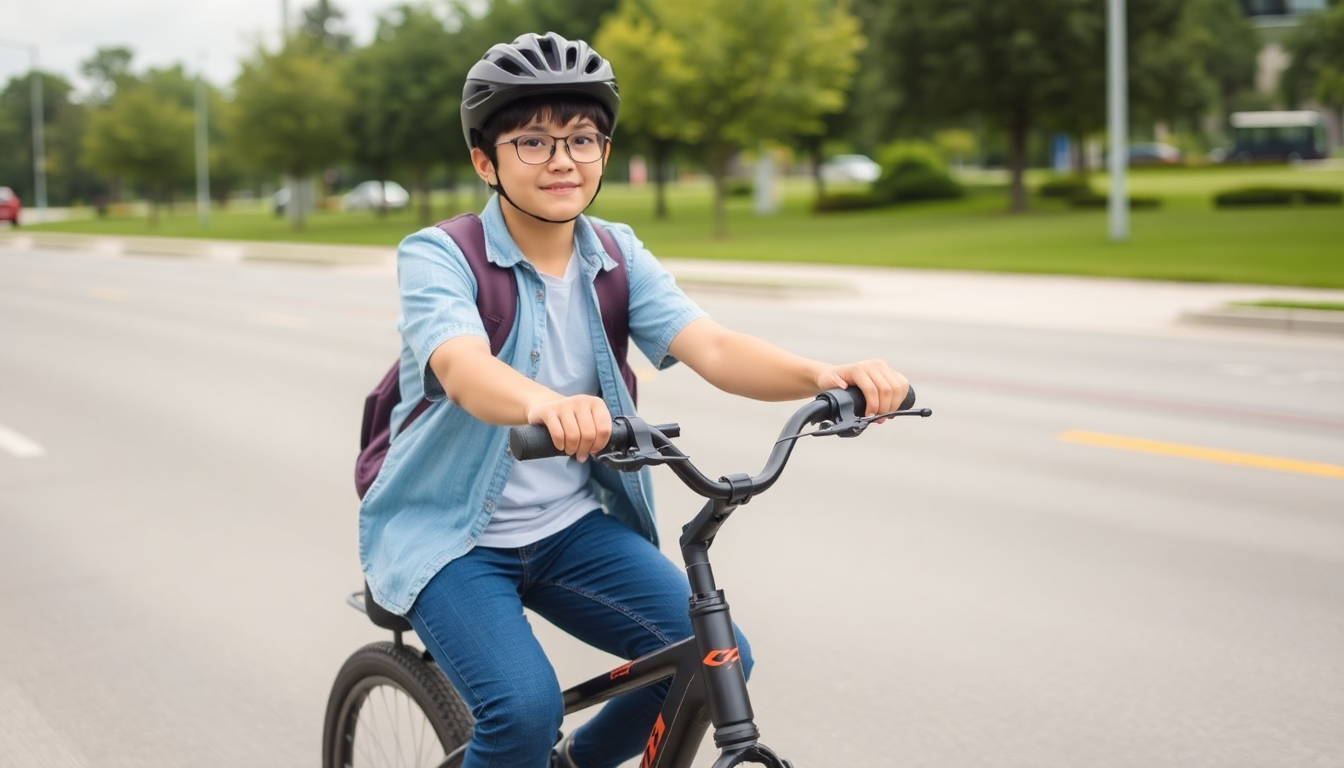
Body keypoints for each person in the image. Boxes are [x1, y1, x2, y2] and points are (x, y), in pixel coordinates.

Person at [358, 31, 910, 768]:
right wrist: (547, 405)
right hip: (451, 537)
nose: (562, 160)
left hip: (568, 529)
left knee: (718, 660)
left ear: (605, 154)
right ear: (484, 161)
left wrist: (824, 375)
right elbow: (462, 368)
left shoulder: (614, 252)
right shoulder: (439, 254)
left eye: (582, 138)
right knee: (522, 713)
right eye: (532, 141)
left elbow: (710, 346)